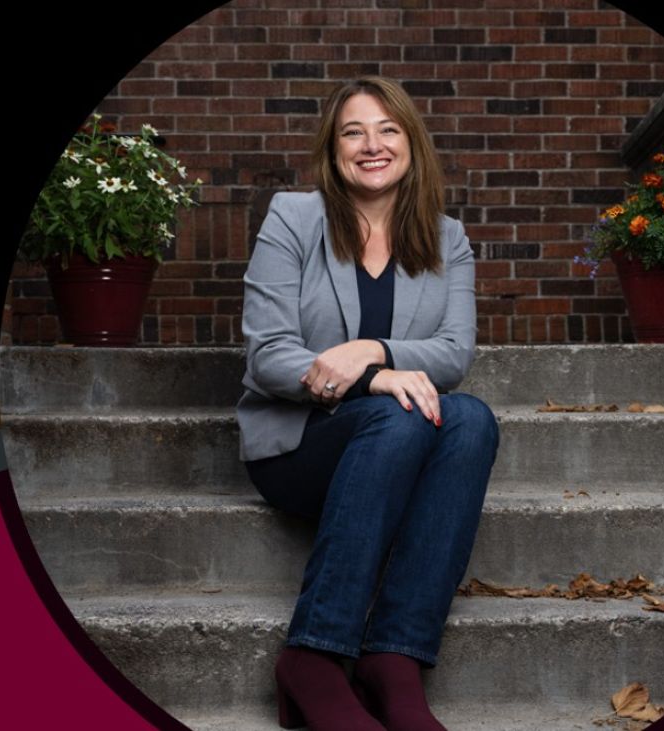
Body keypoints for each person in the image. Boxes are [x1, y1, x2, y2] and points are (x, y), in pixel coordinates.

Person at [236, 76, 501, 731]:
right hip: (299, 443)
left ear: (412, 143)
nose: (371, 145)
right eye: (353, 132)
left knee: (471, 419)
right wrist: (371, 381)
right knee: (398, 412)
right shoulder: (294, 219)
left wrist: (373, 350)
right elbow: (269, 355)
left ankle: (394, 658)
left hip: (394, 444)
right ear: (333, 151)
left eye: (388, 129)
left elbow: (454, 352)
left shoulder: (446, 237)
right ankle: (315, 655)